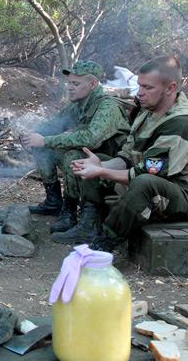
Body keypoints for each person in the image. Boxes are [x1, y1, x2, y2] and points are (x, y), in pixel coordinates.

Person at [70, 56, 188, 252]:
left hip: (187, 197)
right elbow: (128, 157)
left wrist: (101, 172)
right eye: (139, 86)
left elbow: (149, 174)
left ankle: (103, 245)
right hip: (155, 181)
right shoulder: (148, 112)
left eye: (148, 88)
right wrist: (100, 166)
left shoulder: (182, 123)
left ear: (170, 88)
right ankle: (88, 224)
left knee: (143, 182)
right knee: (96, 161)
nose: (139, 93)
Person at [21, 61, 130, 238]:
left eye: (75, 84)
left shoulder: (108, 106)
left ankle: (79, 218)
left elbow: (91, 139)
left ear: (93, 84)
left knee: (71, 155)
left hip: (113, 163)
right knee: (43, 149)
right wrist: (33, 135)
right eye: (69, 83)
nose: (70, 88)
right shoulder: (78, 104)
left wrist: (46, 140)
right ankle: (53, 202)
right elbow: (53, 125)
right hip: (91, 156)